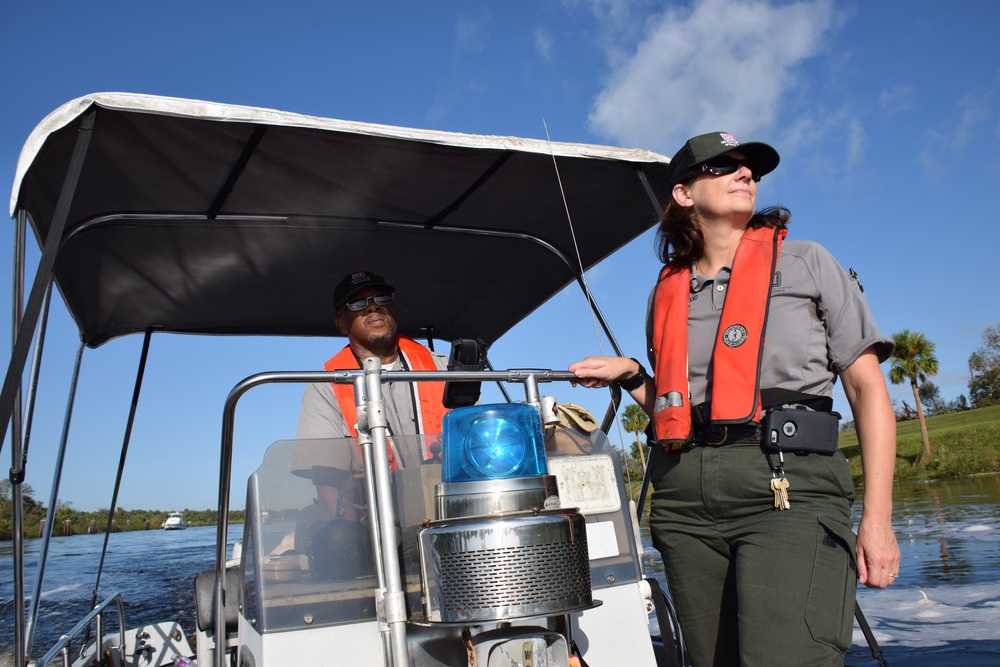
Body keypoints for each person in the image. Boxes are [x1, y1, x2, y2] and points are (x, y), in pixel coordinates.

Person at [569, 132, 900, 666]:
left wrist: (878, 521)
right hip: (682, 505)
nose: (745, 174)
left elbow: (866, 390)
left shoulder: (809, 263)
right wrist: (632, 374)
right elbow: (676, 409)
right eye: (723, 167)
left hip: (787, 490)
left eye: (750, 169)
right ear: (682, 194)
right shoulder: (665, 292)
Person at [296, 270, 450, 520]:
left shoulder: (443, 367)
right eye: (357, 303)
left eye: (382, 299)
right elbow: (327, 483)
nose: (372, 309)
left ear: (394, 310)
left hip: (449, 509)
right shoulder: (324, 387)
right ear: (341, 323)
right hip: (380, 523)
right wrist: (363, 544)